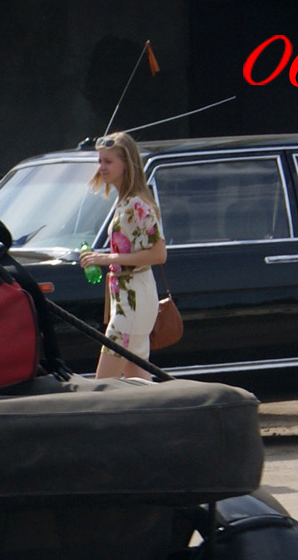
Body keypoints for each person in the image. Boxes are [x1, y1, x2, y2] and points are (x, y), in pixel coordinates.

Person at [79, 131, 166, 380]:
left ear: (126, 164)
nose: (102, 168)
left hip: (134, 299)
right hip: (127, 298)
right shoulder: (125, 202)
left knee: (104, 385)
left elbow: (159, 254)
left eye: (108, 162)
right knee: (138, 383)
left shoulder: (137, 204)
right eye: (100, 161)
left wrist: (106, 259)